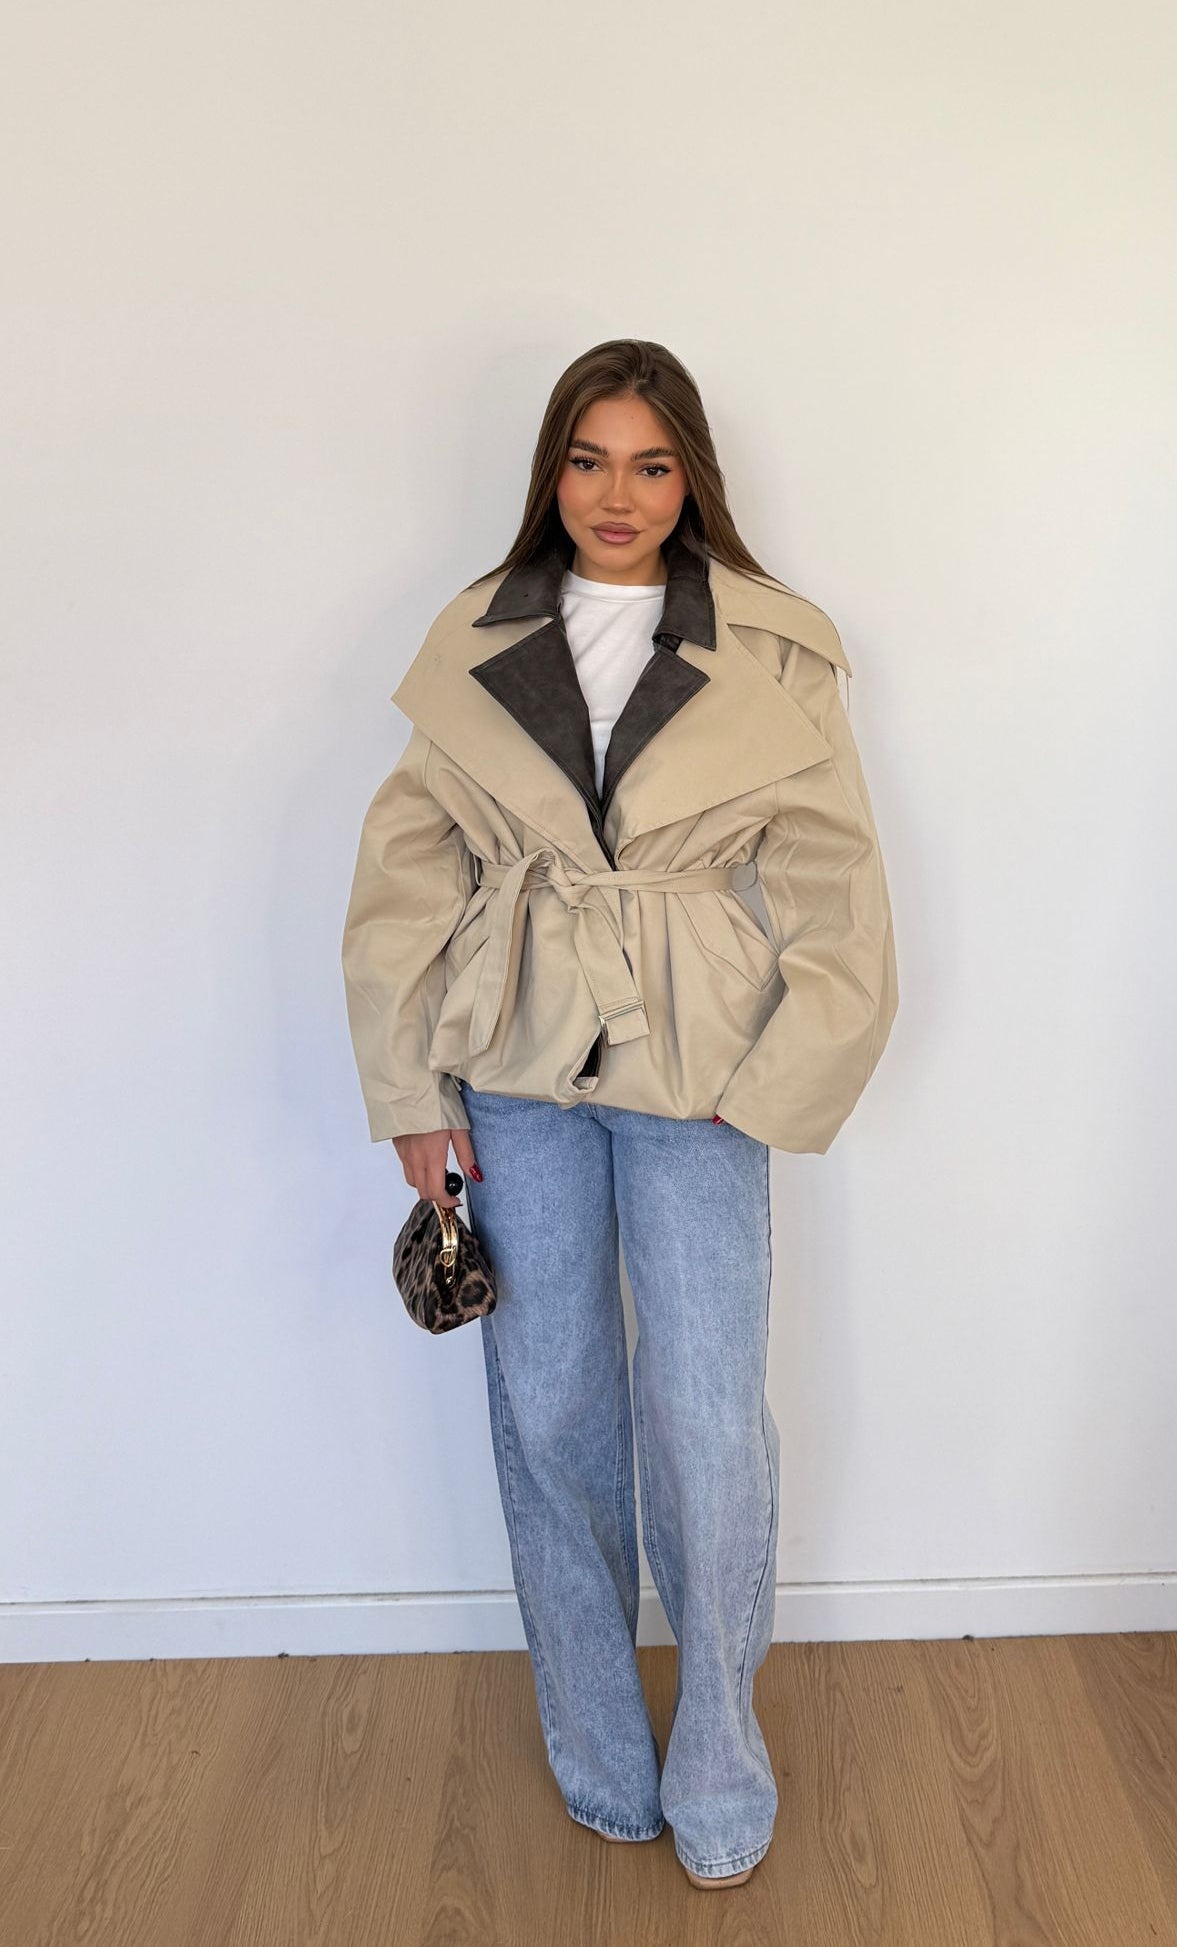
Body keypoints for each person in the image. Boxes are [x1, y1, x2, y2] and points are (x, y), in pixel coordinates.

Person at [340, 337, 899, 1889]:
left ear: (689, 477)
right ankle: (595, 1738)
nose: (617, 493)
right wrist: (409, 1092)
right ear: (552, 472)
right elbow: (404, 878)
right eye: (588, 459)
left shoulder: (773, 647)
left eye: (650, 463)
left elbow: (836, 883)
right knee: (551, 1410)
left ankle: (718, 1747)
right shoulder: (476, 634)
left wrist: (776, 1083)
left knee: (708, 1423)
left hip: (701, 1073)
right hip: (512, 1064)